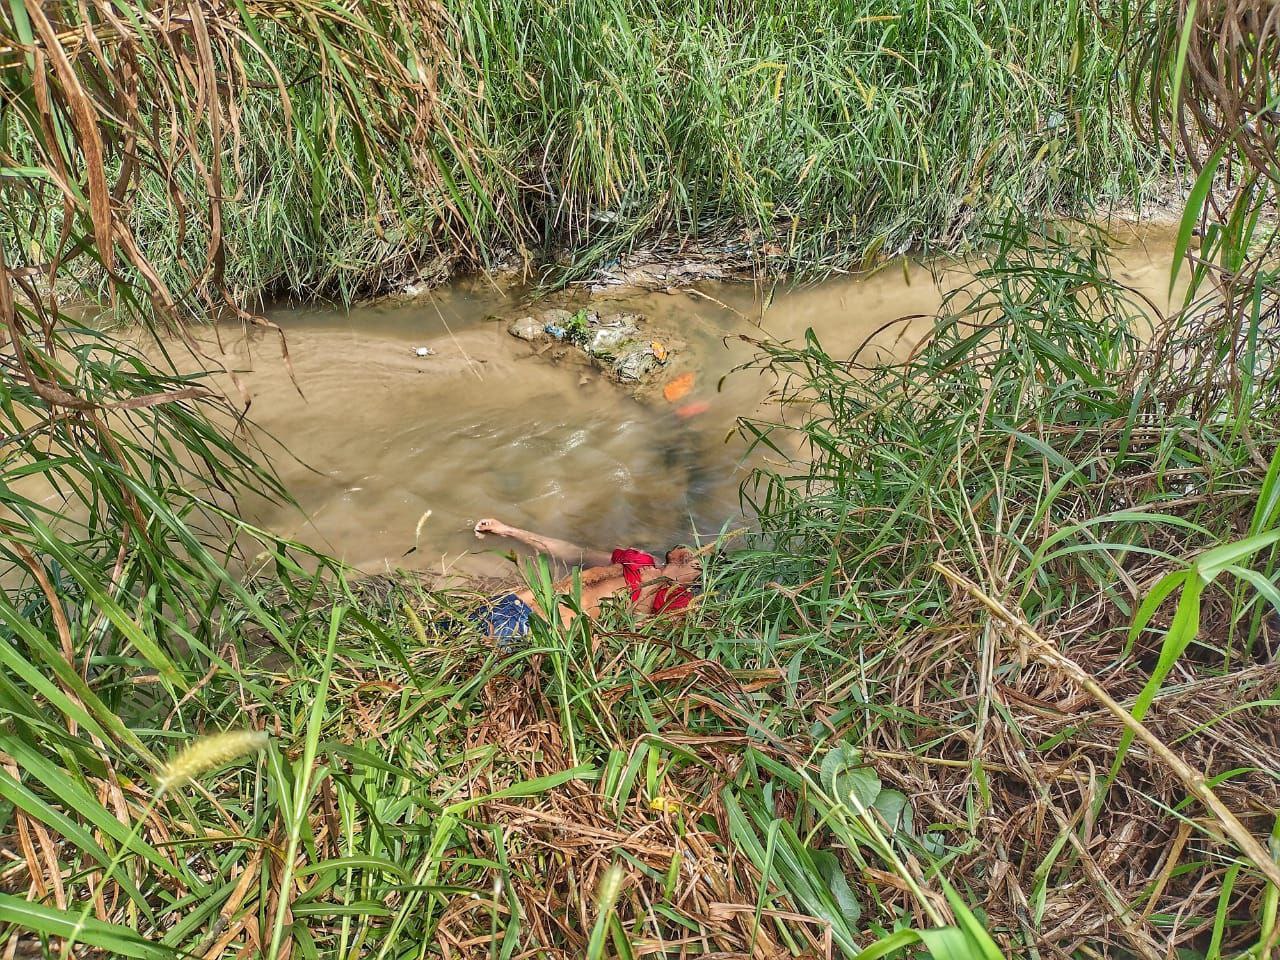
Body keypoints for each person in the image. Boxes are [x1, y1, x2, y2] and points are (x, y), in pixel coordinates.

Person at [470, 518, 701, 643]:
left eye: (704, 558)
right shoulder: (640, 559)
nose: (697, 552)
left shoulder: (679, 600)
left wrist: (661, 583)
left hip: (535, 630)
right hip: (512, 602)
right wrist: (509, 531)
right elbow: (573, 553)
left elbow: (634, 637)